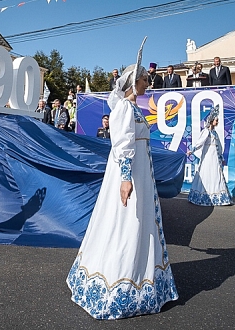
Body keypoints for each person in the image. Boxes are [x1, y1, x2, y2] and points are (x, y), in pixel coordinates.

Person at [67, 39, 178, 319]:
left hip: (141, 176)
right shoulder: (123, 110)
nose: (147, 83)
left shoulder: (134, 109)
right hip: (129, 176)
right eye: (144, 79)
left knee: (137, 224)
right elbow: (123, 147)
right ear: (133, 82)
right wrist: (126, 179)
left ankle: (140, 275)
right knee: (125, 224)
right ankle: (119, 282)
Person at [186, 106, 232, 206]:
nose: (217, 122)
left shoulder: (214, 133)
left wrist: (222, 158)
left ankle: (219, 197)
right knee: (206, 174)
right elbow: (200, 143)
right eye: (216, 120)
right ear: (211, 121)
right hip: (207, 158)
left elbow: (219, 147)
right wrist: (192, 150)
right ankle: (204, 196)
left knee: (216, 175)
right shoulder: (206, 132)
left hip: (214, 158)